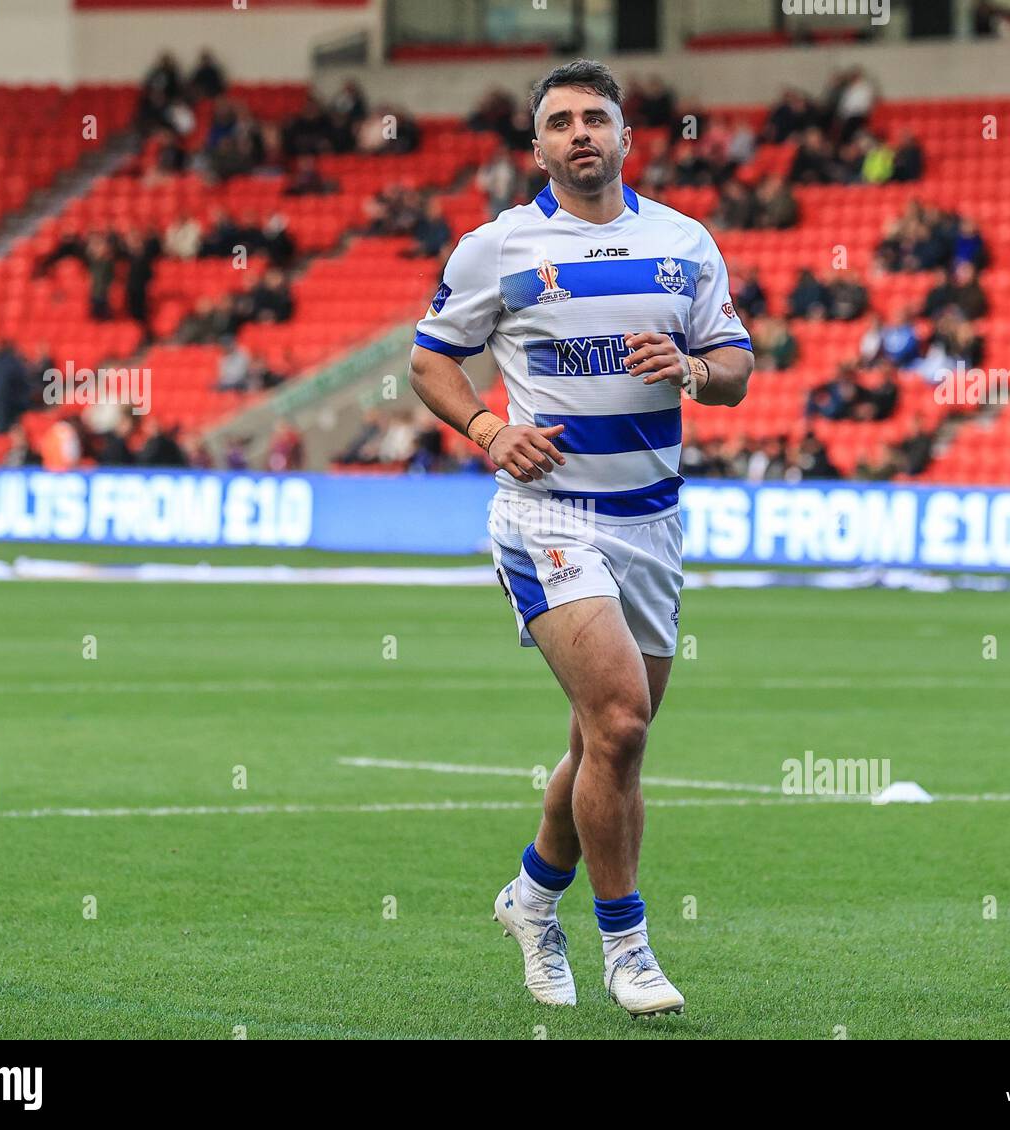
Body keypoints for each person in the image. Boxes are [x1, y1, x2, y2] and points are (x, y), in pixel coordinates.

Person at [408, 59, 752, 1019]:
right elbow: (430, 362)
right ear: (539, 145)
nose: (579, 135)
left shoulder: (683, 245)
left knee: (606, 745)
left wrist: (691, 366)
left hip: (652, 520)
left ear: (626, 137)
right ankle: (628, 946)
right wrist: (488, 430)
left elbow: (735, 368)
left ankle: (529, 897)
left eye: (594, 118)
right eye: (559, 122)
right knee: (623, 722)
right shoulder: (497, 248)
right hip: (548, 517)